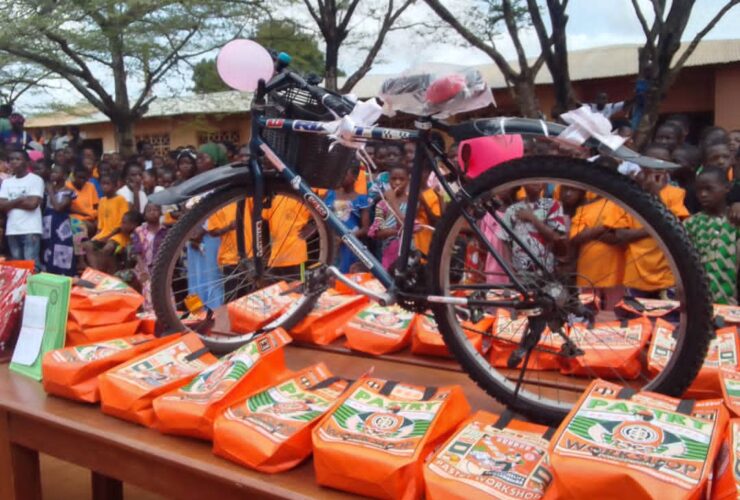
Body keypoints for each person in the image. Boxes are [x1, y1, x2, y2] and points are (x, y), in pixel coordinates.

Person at [610, 144, 689, 298]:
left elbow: (675, 229)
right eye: (651, 161)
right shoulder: (626, 194)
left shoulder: (676, 193)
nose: (656, 166)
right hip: (635, 274)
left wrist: (656, 194)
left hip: (666, 275)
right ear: (641, 164)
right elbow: (620, 235)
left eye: (662, 161)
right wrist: (655, 229)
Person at [684, 167, 740, 305]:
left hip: (731, 301)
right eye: (699, 190)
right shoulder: (691, 224)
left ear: (727, 188)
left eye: (709, 189)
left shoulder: (735, 220)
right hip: (698, 301)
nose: (703, 194)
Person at [496, 182, 566, 275]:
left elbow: (555, 237)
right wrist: (510, 269)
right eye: (533, 180)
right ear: (523, 183)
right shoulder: (512, 210)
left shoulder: (552, 206)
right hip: (520, 274)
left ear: (544, 184)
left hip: (546, 273)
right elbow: (505, 241)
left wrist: (532, 218)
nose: (536, 182)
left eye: (539, 179)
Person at [0, 150, 44, 268]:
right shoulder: (7, 182)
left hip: (30, 229)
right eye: (11, 159)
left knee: (31, 265)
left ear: (27, 162)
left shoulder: (35, 180)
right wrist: (19, 200)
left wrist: (10, 203)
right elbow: (1, 206)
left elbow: (32, 204)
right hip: (12, 229)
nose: (14, 162)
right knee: (17, 267)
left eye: (18, 159)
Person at [324, 165, 370, 272]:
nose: (341, 177)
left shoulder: (361, 199)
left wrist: (345, 238)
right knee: (331, 272)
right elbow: (323, 217)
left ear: (355, 177)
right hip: (332, 242)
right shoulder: (330, 194)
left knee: (347, 273)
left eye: (345, 174)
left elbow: (365, 229)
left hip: (351, 244)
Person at [369, 166, 412, 269]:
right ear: (388, 180)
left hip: (409, 252)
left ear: (408, 180)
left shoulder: (413, 202)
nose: (397, 182)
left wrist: (393, 202)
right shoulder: (382, 205)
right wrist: (396, 232)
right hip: (389, 253)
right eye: (394, 179)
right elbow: (378, 232)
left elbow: (408, 227)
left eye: (401, 179)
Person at [85, 174, 130, 271]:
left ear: (115, 185)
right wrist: (96, 237)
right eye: (103, 184)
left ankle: (108, 273)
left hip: (119, 235)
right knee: (88, 245)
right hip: (104, 234)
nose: (104, 186)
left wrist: (107, 237)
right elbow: (100, 226)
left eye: (107, 184)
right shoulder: (102, 201)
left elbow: (122, 225)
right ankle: (96, 271)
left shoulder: (121, 200)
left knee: (107, 248)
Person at [41, 165, 76, 276]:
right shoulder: (46, 190)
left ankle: (64, 276)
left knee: (62, 249)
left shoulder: (68, 192)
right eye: (52, 172)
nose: (53, 174)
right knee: (48, 249)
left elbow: (58, 208)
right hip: (47, 225)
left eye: (56, 172)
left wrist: (51, 192)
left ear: (64, 176)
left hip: (60, 226)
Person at [131, 203, 167, 310]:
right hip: (143, 267)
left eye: (155, 210)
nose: (152, 212)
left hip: (161, 267)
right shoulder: (139, 231)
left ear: (160, 213)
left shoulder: (165, 231)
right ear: (144, 214)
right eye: (149, 210)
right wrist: (143, 270)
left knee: (165, 292)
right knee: (148, 289)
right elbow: (137, 252)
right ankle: (151, 314)